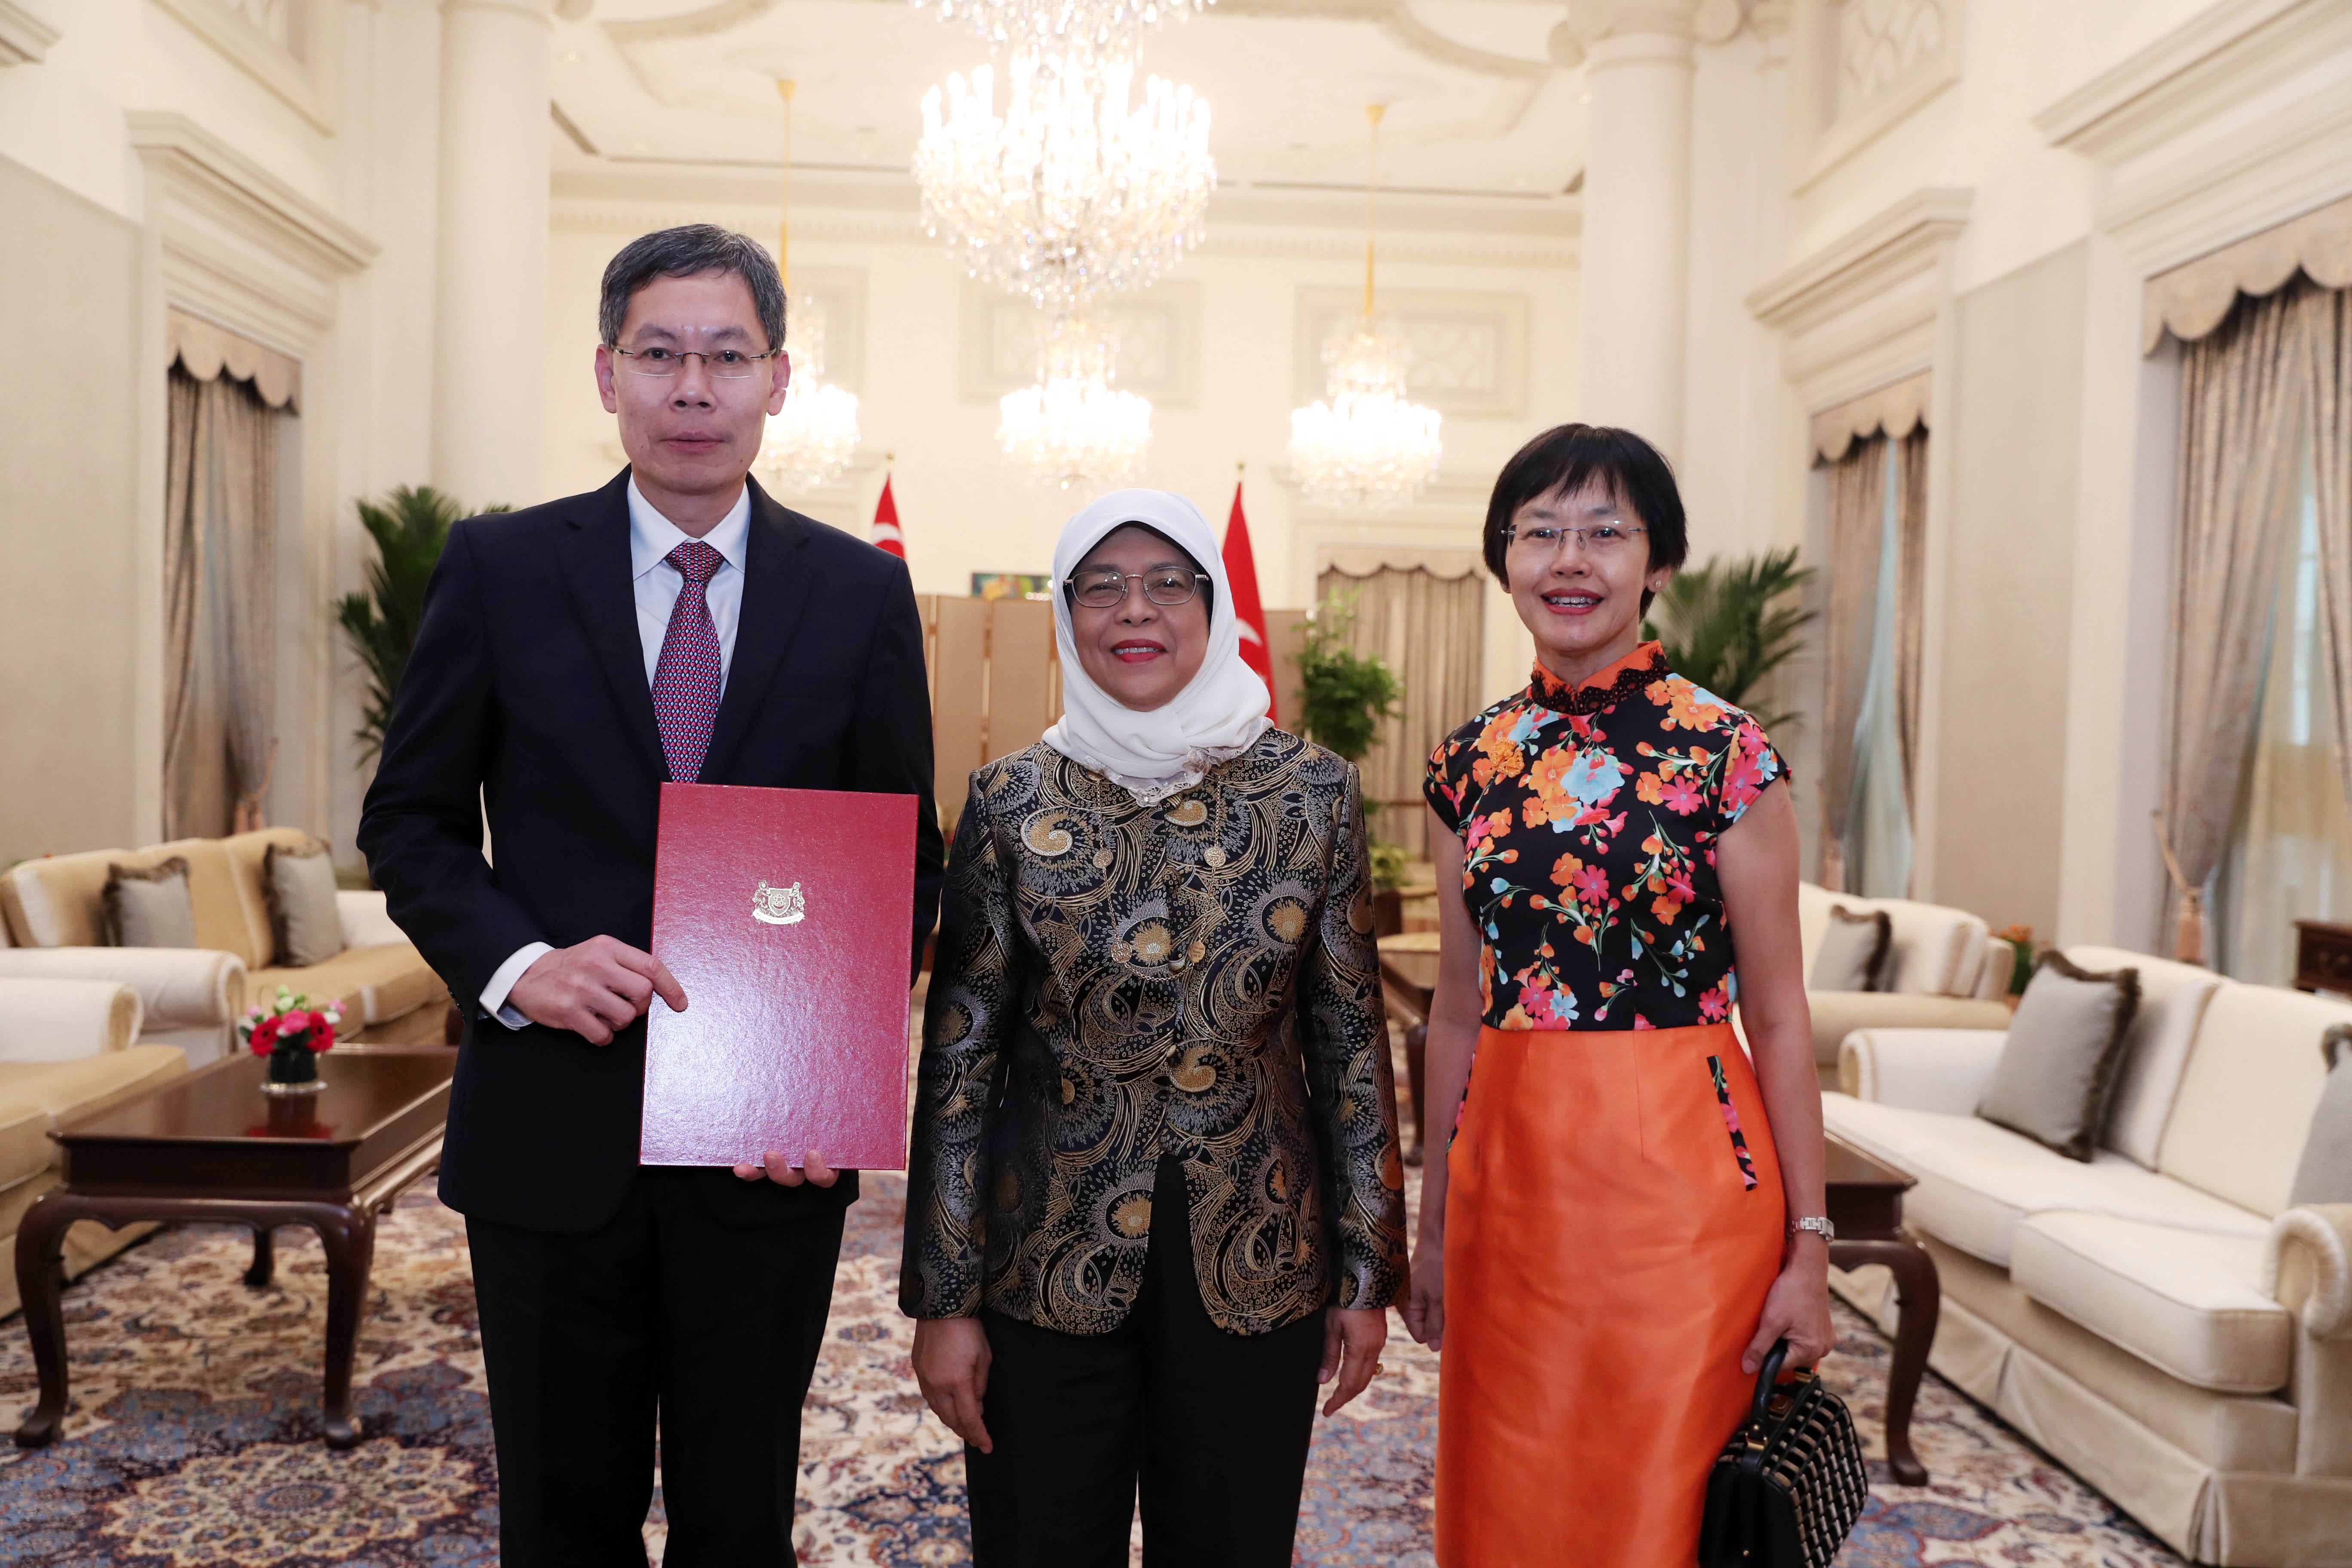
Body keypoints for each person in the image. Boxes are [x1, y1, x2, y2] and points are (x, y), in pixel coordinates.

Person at [358, 224, 943, 1568]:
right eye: (661, 353)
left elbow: (904, 854)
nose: (693, 388)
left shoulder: (859, 594)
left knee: (740, 1521)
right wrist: (521, 967)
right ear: (606, 372)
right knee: (562, 1522)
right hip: (549, 1132)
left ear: (778, 379)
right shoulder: (500, 571)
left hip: (765, 1147)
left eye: (727, 357)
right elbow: (410, 822)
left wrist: (825, 1075)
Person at [900, 489, 1408, 1568]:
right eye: (1102, 587)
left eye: (1168, 583)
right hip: (1044, 1262)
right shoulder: (1009, 798)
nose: (1136, 609)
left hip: (1260, 1256)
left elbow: (1351, 1049)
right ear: (1067, 613)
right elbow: (959, 1065)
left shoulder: (1313, 793)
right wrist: (943, 1301)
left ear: (1213, 610)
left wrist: (1367, 1275)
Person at [1403, 424, 1834, 1565]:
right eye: (1539, 531)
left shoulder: (1726, 754)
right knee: (1508, 1495)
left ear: (1660, 562)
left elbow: (1780, 1015)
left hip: (1686, 1191)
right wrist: (1433, 1228)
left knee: (1656, 1501)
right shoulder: (1470, 763)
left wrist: (1810, 1250)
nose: (1569, 560)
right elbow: (1457, 1010)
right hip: (1509, 1183)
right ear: (1504, 560)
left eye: (1604, 531)